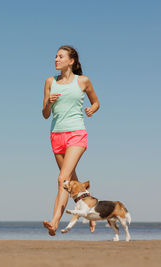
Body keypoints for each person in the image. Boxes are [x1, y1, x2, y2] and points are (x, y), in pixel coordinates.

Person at [42, 45, 100, 236]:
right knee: (73, 183)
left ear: (71, 61)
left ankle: (54, 222)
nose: (56, 59)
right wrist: (49, 103)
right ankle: (92, 212)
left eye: (60, 56)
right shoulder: (50, 81)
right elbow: (45, 114)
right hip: (56, 135)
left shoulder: (83, 81)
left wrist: (93, 109)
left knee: (63, 180)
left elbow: (96, 102)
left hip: (76, 134)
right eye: (55, 56)